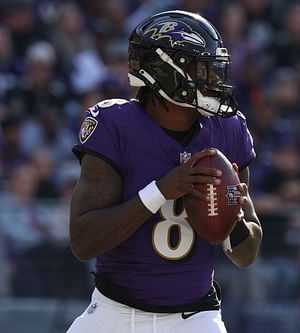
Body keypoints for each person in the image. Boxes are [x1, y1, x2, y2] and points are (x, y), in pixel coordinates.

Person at [66, 10, 263, 333]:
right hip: (114, 316)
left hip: (195, 319)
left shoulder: (228, 130)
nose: (213, 78)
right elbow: (83, 242)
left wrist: (232, 217)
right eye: (201, 68)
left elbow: (246, 256)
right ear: (163, 71)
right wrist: (160, 191)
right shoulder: (115, 125)